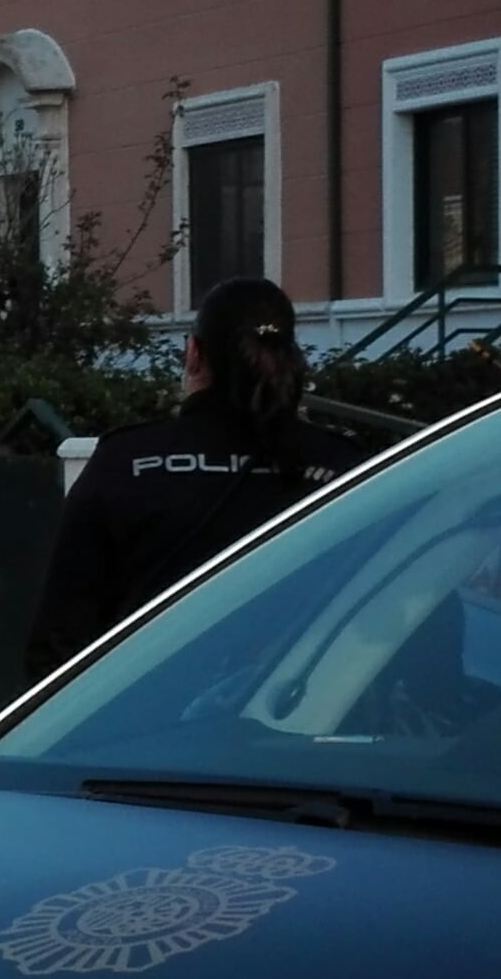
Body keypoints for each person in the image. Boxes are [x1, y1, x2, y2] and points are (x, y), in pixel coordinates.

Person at [25, 277, 370, 685]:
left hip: (143, 725)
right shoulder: (347, 470)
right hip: (304, 723)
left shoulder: (128, 462)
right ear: (290, 356)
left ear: (193, 356)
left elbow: (57, 641)